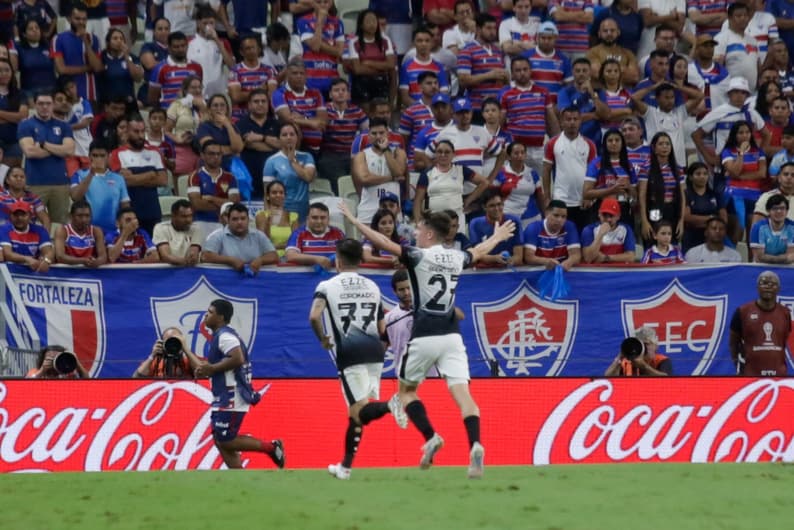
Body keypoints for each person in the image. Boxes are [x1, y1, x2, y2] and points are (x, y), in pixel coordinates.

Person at [337, 202, 517, 479]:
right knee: (464, 397)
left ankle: (431, 436)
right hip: (452, 336)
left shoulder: (419, 255)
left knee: (406, 392)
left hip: (424, 334)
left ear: (430, 234)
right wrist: (499, 236)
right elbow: (479, 251)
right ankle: (476, 445)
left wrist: (353, 221)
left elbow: (383, 241)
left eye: (420, 229)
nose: (416, 233)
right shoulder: (457, 257)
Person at [309, 238, 402, 480]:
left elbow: (314, 316)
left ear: (338, 261)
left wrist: (323, 339)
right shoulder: (372, 286)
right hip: (375, 352)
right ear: (361, 260)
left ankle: (392, 405)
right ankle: (345, 467)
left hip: (350, 354)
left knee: (359, 410)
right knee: (356, 414)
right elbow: (383, 327)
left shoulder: (327, 285)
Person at [193, 298, 285, 469]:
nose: (206, 315)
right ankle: (239, 477)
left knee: (225, 440)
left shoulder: (225, 336)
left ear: (220, 317)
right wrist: (207, 369)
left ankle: (271, 447)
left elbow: (237, 358)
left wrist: (212, 369)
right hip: (223, 396)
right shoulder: (220, 336)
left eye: (211, 312)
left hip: (232, 396)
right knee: (220, 440)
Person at [17, 91, 75, 224]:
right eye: (41, 103)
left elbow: (70, 150)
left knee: (60, 225)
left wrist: (43, 145)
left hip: (60, 183)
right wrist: (59, 149)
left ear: (53, 105)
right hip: (35, 184)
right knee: (31, 223)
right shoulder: (26, 125)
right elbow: (30, 152)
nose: (44, 107)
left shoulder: (64, 126)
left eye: (48, 103)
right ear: (35, 105)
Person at [109, 116, 168, 236]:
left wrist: (133, 177)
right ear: (127, 132)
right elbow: (122, 182)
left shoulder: (155, 152)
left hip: (152, 211)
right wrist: (150, 174)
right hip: (129, 211)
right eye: (136, 131)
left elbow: (163, 180)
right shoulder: (117, 154)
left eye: (142, 131)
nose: (140, 135)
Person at [543, 106, 597, 231]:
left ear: (580, 121)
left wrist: (589, 196)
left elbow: (594, 172)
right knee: (562, 236)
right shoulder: (552, 143)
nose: (572, 122)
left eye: (575, 119)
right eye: (568, 119)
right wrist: (547, 197)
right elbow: (546, 170)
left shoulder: (589, 144)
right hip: (561, 199)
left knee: (583, 236)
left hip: (583, 200)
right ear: (561, 122)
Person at [413, 139, 489, 226]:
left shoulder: (461, 170)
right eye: (439, 152)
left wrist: (468, 200)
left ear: (453, 154)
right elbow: (418, 200)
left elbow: (484, 183)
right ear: (435, 154)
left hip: (457, 219)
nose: (443, 155)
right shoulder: (427, 173)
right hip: (435, 219)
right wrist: (418, 222)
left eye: (447, 152)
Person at [731, 270, 792, 377]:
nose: (767, 286)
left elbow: (783, 340)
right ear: (757, 287)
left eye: (772, 284)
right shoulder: (742, 311)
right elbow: (733, 343)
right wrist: (738, 365)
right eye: (763, 283)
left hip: (779, 375)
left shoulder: (785, 313)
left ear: (778, 289)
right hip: (750, 375)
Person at [352, 118, 407, 224]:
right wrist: (391, 178)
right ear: (368, 136)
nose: (378, 136)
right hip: (368, 214)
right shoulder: (361, 155)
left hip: (393, 214)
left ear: (388, 134)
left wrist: (385, 150)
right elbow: (365, 179)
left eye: (381, 133)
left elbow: (398, 172)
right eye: (374, 133)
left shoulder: (398, 153)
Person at [70, 141, 131, 234]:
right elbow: (75, 197)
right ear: (89, 156)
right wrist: (91, 174)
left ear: (109, 156)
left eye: (102, 156)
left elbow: (125, 206)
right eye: (95, 155)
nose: (99, 159)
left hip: (113, 231)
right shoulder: (79, 174)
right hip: (88, 231)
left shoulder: (118, 178)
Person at [271, 58, 327, 157]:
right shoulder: (279, 94)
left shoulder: (316, 93)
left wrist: (301, 118)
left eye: (302, 73)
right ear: (287, 75)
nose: (299, 76)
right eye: (295, 73)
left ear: (306, 75)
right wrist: (311, 122)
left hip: (319, 148)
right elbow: (287, 119)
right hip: (295, 148)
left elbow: (322, 121)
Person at [638, 132, 686, 246]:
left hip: (672, 209)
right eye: (661, 144)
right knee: (653, 242)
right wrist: (644, 221)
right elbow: (642, 195)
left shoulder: (678, 169)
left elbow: (683, 196)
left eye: (667, 144)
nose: (665, 146)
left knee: (671, 244)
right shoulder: (646, 167)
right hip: (655, 208)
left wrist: (681, 220)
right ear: (654, 148)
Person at [202, 202, 279, 273]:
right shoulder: (218, 236)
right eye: (235, 219)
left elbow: (274, 256)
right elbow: (205, 256)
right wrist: (230, 260)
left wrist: (261, 260)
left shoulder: (259, 235)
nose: (239, 222)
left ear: (248, 220)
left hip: (255, 283)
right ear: (228, 221)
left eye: (243, 218)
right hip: (225, 284)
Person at [346, 8, 397, 115]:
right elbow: (358, 69)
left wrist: (369, 63)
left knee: (381, 115)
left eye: (374, 21)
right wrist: (382, 70)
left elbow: (391, 64)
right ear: (361, 25)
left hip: (381, 84)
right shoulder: (354, 42)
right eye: (368, 21)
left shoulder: (385, 41)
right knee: (366, 117)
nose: (372, 24)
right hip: (361, 85)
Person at [583, 128, 637, 227]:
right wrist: (612, 190)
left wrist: (629, 187)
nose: (614, 143)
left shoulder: (628, 165)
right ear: (605, 144)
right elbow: (586, 193)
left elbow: (635, 196)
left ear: (622, 143)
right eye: (610, 140)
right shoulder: (596, 163)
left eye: (617, 140)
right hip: (602, 208)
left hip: (623, 209)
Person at [263, 122, 316, 221]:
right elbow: (267, 193)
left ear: (297, 137)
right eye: (284, 135)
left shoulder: (307, 157)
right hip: (281, 212)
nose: (289, 137)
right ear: (279, 138)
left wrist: (292, 161)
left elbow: (308, 177)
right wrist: (268, 216)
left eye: (292, 134)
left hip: (303, 211)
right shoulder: (271, 161)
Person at [51, 4, 104, 103]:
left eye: (84, 19)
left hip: (92, 94)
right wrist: (88, 68)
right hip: (69, 96)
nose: (81, 22)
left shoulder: (94, 39)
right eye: (77, 19)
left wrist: (86, 43)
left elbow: (97, 67)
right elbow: (61, 69)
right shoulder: (58, 39)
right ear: (69, 19)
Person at [237, 88, 279, 200]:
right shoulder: (240, 125)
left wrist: (261, 137)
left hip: (274, 179)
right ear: (249, 105)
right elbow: (248, 145)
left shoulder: (277, 124)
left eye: (263, 101)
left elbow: (283, 146)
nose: (260, 104)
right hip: (250, 177)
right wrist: (272, 145)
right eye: (256, 101)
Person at [188, 140, 240, 229]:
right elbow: (197, 204)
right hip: (201, 223)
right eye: (211, 154)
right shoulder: (195, 176)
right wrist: (225, 205)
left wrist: (211, 199)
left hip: (225, 224)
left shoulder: (230, 177)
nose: (216, 157)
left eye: (218, 154)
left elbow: (234, 203)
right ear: (202, 155)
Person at [493, 142, 545, 229]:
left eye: (522, 152)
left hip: (531, 217)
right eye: (516, 153)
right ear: (509, 156)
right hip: (508, 217)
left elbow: (540, 196)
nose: (520, 156)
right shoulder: (501, 173)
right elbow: (493, 196)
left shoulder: (532, 173)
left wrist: (545, 214)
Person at [188, 6, 235, 99]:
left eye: (211, 23)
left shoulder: (223, 42)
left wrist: (217, 40)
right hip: (198, 92)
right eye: (205, 23)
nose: (208, 26)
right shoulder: (190, 43)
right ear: (198, 23)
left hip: (218, 93)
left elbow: (232, 66)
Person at [148, 31, 204, 109]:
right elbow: (153, 98)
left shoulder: (196, 67)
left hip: (192, 114)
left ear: (187, 46)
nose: (180, 49)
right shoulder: (160, 68)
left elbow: (199, 91)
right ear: (169, 48)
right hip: (169, 113)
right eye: (176, 47)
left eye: (183, 46)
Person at [468, 190, 524, 267]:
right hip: (484, 270)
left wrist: (507, 261)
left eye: (499, 204)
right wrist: (495, 258)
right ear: (484, 207)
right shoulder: (475, 224)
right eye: (492, 206)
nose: (497, 208)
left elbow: (518, 257)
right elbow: (476, 254)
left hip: (507, 269)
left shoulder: (514, 221)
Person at [523, 200, 582, 270]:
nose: (560, 220)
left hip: (562, 270)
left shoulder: (570, 227)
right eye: (556, 215)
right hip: (539, 270)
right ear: (546, 214)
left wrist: (568, 262)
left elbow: (576, 255)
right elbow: (528, 257)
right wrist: (546, 261)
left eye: (563, 217)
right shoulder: (533, 228)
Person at [284, 201, 346, 269]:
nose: (319, 221)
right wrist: (316, 259)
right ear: (307, 219)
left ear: (328, 219)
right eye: (315, 218)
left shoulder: (337, 233)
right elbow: (290, 256)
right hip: (306, 276)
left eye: (323, 218)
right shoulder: (298, 233)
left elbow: (348, 254)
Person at [165, 75, 205, 178]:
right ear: (186, 90)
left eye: (199, 87)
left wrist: (202, 108)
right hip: (182, 150)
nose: (197, 90)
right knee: (183, 184)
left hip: (202, 152)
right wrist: (177, 139)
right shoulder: (176, 105)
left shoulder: (207, 106)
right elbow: (165, 130)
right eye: (193, 87)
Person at [683, 162, 728, 252]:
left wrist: (702, 222)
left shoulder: (715, 194)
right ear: (691, 177)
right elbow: (687, 217)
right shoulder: (686, 194)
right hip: (692, 235)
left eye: (705, 174)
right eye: (698, 174)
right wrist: (711, 218)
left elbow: (723, 217)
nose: (702, 177)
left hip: (712, 235)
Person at [0, 199, 53, 271]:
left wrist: (46, 261)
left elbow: (49, 252)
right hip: (11, 270)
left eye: (23, 214)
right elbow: (8, 254)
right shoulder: (3, 229)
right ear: (10, 216)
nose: (19, 218)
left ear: (30, 216)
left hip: (34, 271)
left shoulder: (40, 231)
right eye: (16, 215)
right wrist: (27, 259)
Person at [581, 197, 636, 264]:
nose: (608, 219)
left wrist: (606, 258)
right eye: (604, 215)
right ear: (599, 214)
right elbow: (588, 258)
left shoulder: (626, 229)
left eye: (611, 215)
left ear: (618, 216)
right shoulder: (589, 230)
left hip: (618, 270)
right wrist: (600, 235)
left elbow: (631, 257)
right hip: (596, 271)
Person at [98, 27, 143, 109]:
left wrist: (127, 57)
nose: (119, 41)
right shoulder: (102, 57)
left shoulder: (132, 57)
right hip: (108, 104)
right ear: (108, 42)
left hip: (128, 101)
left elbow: (138, 78)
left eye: (121, 38)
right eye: (115, 38)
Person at [53, 199, 107, 267]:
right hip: (68, 274)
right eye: (80, 216)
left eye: (87, 216)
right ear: (71, 216)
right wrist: (83, 261)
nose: (84, 220)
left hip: (90, 273)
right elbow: (60, 257)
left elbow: (103, 257)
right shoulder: (62, 230)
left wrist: (96, 262)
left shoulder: (96, 231)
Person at [604, 326, 673, 376]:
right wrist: (620, 357)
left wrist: (644, 367)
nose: (643, 348)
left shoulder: (661, 360)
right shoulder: (626, 363)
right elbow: (608, 378)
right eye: (640, 344)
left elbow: (667, 379)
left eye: (646, 344)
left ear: (656, 346)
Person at [152, 199, 202, 267]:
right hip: (167, 270)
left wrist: (190, 258)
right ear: (173, 216)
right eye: (184, 216)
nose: (188, 220)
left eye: (190, 216)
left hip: (189, 269)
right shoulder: (161, 228)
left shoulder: (196, 228)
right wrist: (185, 261)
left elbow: (193, 253)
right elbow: (166, 256)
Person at [255, 180, 299, 257]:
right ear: (268, 196)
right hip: (269, 258)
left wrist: (275, 246)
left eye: (281, 193)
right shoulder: (261, 215)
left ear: (285, 196)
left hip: (289, 258)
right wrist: (267, 225)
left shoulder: (293, 216)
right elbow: (262, 243)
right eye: (274, 193)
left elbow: (295, 243)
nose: (278, 195)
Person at [0, 166, 50, 231]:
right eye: (15, 176)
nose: (19, 179)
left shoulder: (33, 198)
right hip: (6, 234)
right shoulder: (1, 198)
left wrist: (44, 235)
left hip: (29, 235)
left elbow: (45, 219)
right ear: (7, 180)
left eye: (22, 177)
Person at [749, 194, 794, 264]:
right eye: (775, 208)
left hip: (786, 268)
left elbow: (791, 257)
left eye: (782, 208)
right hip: (761, 267)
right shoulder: (758, 228)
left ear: (787, 211)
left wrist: (768, 258)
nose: (779, 211)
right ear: (768, 211)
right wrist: (783, 258)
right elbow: (759, 257)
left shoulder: (792, 228)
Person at [25, 345, 90, 379]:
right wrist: (42, 371)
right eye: (51, 357)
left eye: (57, 357)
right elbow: (25, 384)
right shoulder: (35, 372)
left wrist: (77, 363)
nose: (54, 360)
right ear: (43, 359)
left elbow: (87, 381)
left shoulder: (69, 374)